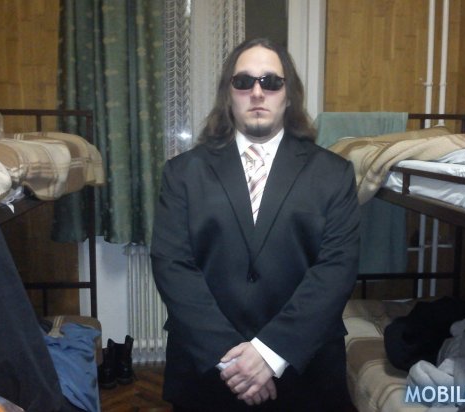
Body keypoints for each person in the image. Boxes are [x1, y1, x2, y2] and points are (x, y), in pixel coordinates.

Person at [151, 37, 360, 411]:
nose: (258, 92)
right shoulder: (182, 173)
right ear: (228, 94)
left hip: (304, 369)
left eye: (272, 81)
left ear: (289, 95)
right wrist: (231, 360)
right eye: (244, 81)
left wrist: (270, 353)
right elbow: (172, 266)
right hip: (207, 370)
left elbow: (336, 270)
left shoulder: (334, 173)